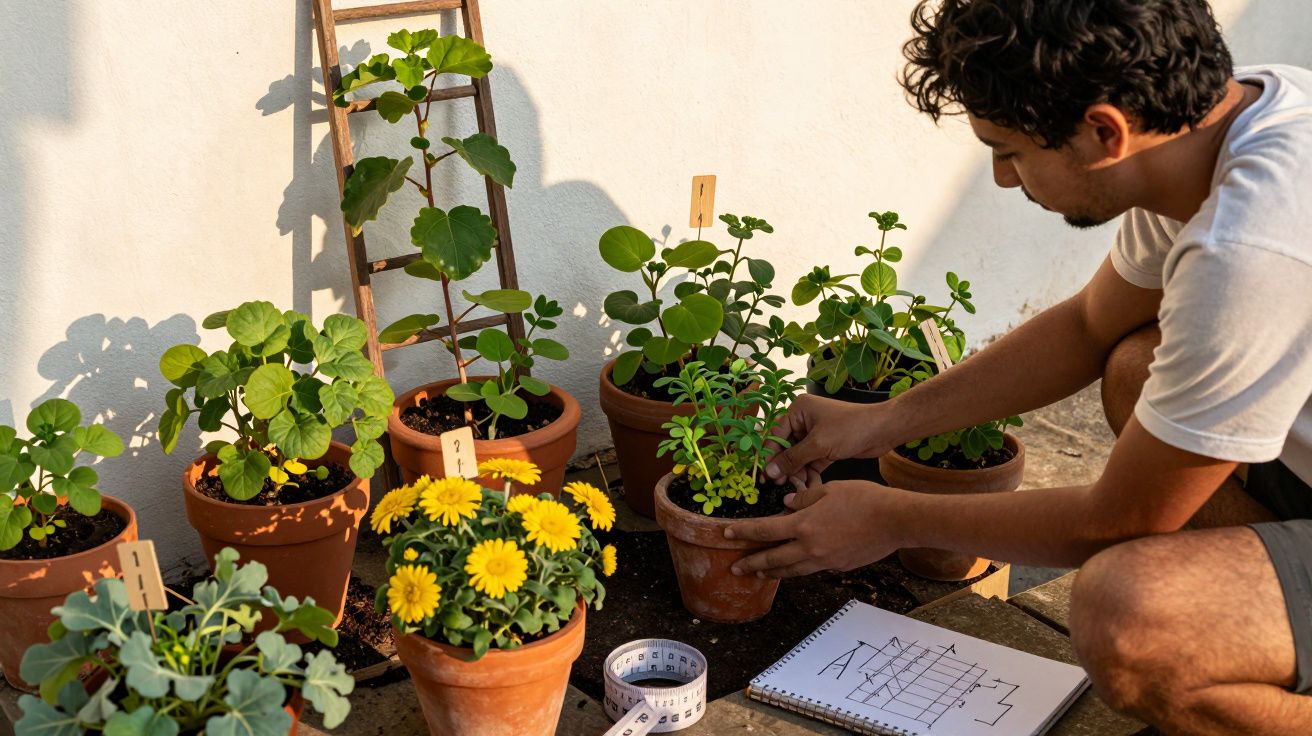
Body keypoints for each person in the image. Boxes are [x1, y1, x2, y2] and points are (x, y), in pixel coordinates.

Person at [724, 1, 1312, 733]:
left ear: (1104, 130)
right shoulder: (1232, 122)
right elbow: (1087, 326)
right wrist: (881, 424)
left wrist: (890, 518)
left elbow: (1114, 522)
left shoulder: (1250, 248)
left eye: (1009, 150)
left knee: (1129, 618)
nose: (1003, 178)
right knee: (1133, 366)